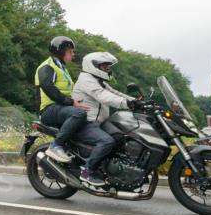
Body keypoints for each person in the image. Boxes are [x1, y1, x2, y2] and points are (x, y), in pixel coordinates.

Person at [72, 52, 136, 187]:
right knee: (106, 141)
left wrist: (136, 101)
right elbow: (102, 96)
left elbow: (115, 93)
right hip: (85, 123)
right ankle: (87, 171)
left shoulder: (99, 81)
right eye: (104, 66)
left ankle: (108, 171)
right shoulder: (86, 80)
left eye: (108, 66)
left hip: (98, 123)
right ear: (93, 66)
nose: (107, 69)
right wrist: (127, 104)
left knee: (122, 137)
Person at [34, 36, 89, 164]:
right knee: (79, 113)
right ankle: (55, 145)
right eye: (70, 51)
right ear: (60, 51)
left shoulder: (62, 68)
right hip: (48, 109)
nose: (73, 54)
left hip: (61, 108)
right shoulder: (47, 67)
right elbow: (48, 88)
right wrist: (71, 102)